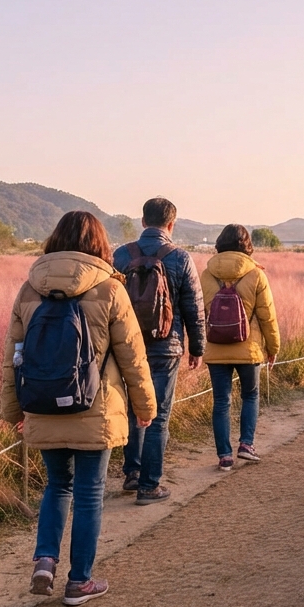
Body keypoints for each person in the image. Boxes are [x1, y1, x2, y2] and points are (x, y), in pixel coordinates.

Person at [0, 210, 157, 606]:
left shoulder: (29, 288)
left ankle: (44, 561)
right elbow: (133, 357)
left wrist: (14, 410)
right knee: (89, 492)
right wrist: (145, 407)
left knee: (56, 486)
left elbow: (12, 357)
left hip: (42, 404)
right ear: (98, 244)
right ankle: (80, 581)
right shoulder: (109, 287)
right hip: (96, 408)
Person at [110, 197, 205, 504]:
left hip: (127, 347)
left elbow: (108, 303)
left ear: (142, 222)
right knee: (158, 415)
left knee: (133, 408)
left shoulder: (122, 255)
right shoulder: (180, 257)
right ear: (171, 224)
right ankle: (150, 485)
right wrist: (197, 347)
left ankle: (133, 474)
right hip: (167, 347)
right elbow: (193, 306)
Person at [200, 224, 280, 471]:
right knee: (250, 396)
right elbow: (268, 316)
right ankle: (246, 445)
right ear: (247, 246)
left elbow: (199, 312)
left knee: (221, 402)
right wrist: (273, 347)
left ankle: (224, 456)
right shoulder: (256, 274)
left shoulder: (206, 274)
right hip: (249, 349)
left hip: (215, 349)